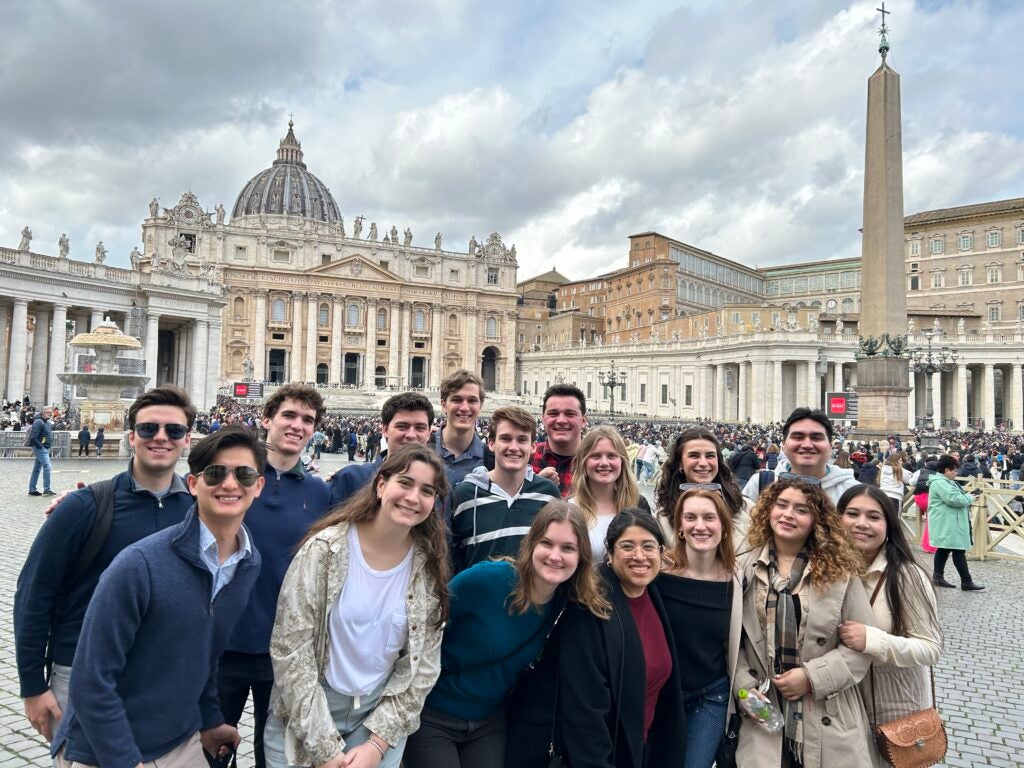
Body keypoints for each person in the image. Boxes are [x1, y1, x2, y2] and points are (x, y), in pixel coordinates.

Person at [50, 425, 266, 767]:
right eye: (215, 473)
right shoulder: (139, 565)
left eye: (244, 473)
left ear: (258, 486)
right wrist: (123, 759)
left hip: (181, 740)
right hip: (105, 750)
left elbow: (206, 650)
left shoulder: (248, 561)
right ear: (193, 485)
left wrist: (210, 719)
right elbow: (90, 679)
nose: (229, 483)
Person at [15, 386, 197, 744]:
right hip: (82, 674)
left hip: (164, 677)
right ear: (132, 437)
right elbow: (33, 596)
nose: (161, 437)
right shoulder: (83, 506)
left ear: (187, 440)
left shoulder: (196, 511)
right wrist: (32, 685)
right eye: (148, 429)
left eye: (173, 431)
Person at [264, 444, 451, 768]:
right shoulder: (323, 551)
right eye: (404, 483)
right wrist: (325, 749)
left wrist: (377, 744)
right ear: (381, 485)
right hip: (306, 716)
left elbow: (421, 668)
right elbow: (290, 651)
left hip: (378, 718)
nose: (412, 497)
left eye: (426, 490)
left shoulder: (429, 568)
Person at [403, 502, 610, 767]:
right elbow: (423, 620)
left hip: (488, 721)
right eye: (547, 543)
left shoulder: (567, 603)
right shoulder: (488, 580)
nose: (555, 556)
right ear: (532, 544)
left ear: (580, 556)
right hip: (434, 713)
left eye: (568, 548)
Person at [216, 384, 334, 768]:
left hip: (286, 651)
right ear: (266, 420)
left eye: (307, 420)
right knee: (211, 754)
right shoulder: (231, 481)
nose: (297, 425)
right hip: (222, 644)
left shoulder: (320, 492)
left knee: (277, 757)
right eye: (289, 415)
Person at [733, 477, 875, 768]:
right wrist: (744, 687)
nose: (788, 515)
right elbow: (732, 639)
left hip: (826, 709)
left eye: (801, 510)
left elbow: (862, 645)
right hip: (763, 705)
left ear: (816, 520)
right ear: (768, 510)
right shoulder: (742, 564)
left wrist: (811, 678)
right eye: (781, 505)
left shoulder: (840, 571)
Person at [555, 509, 686, 768]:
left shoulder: (654, 595)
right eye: (628, 546)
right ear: (610, 553)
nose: (639, 556)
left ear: (661, 553)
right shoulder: (590, 607)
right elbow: (585, 712)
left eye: (648, 546)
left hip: (644, 748)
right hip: (606, 755)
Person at [836, 484, 943, 763]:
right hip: (843, 706)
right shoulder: (828, 569)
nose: (861, 524)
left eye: (873, 517)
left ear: (888, 525)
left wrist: (873, 640)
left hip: (895, 707)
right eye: (852, 514)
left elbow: (930, 648)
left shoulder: (907, 576)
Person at [658, 489, 742, 768]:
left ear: (723, 526)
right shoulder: (659, 573)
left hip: (709, 696)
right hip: (661, 694)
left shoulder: (739, 580)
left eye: (709, 517)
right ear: (680, 527)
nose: (700, 526)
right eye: (690, 517)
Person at [451, 406, 560, 572]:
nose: (514, 447)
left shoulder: (548, 494)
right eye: (506, 439)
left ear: (533, 447)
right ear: (491, 444)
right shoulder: (463, 496)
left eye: (522, 440)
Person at [330, 392, 435, 504]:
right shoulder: (351, 479)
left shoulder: (439, 483)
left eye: (420, 428)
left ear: (429, 433)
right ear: (384, 430)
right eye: (402, 427)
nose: (411, 435)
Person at [741, 408, 859, 505]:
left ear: (830, 446)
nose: (807, 445)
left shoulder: (853, 491)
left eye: (816, 438)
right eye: (798, 437)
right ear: (784, 445)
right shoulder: (759, 484)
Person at [654, 427, 747, 548]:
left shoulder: (745, 507)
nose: (703, 463)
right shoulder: (662, 519)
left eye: (710, 456)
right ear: (680, 464)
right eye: (694, 456)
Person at [567, 425, 650, 559]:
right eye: (596, 456)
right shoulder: (570, 509)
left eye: (611, 456)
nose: (604, 463)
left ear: (622, 461)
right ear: (584, 462)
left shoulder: (639, 504)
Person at [927, 455, 985, 591]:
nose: (956, 473)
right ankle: (966, 581)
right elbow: (954, 499)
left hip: (948, 521)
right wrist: (970, 497)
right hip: (948, 522)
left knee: (944, 549)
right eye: (954, 470)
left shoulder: (945, 481)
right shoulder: (941, 483)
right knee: (958, 550)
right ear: (946, 470)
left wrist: (967, 496)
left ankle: (938, 577)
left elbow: (956, 496)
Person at [435, 369, 492, 485]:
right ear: (443, 405)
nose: (465, 407)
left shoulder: (492, 460)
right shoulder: (421, 449)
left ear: (480, 405)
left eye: (472, 400)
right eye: (457, 400)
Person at [531, 383, 587, 497]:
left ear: (583, 421)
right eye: (553, 414)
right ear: (543, 419)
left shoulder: (597, 463)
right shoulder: (525, 459)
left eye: (570, 414)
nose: (561, 420)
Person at [27, 406, 55, 497]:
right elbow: (33, 436)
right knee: (47, 466)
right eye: (48, 412)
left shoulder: (47, 422)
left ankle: (32, 489)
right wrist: (41, 447)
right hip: (41, 448)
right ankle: (47, 490)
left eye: (51, 412)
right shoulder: (39, 422)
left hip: (45, 448)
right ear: (43, 412)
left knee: (37, 469)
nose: (50, 413)